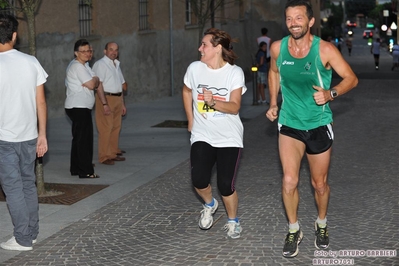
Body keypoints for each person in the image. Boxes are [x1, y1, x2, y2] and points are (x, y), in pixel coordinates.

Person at [266, 0, 358, 258]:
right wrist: (274, 102)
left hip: (318, 124)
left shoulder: (325, 50)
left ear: (310, 21)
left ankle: (321, 223)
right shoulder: (277, 48)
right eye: (289, 19)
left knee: (319, 184)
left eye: (298, 18)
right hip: (290, 123)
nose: (293, 23)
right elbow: (273, 72)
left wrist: (331, 93)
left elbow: (351, 78)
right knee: (289, 180)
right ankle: (294, 229)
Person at [182, 28, 246, 239]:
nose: (200, 48)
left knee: (226, 185)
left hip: (228, 136)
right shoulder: (194, 68)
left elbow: (235, 106)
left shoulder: (234, 73)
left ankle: (233, 220)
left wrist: (213, 102)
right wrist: (191, 119)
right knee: (199, 180)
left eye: (204, 45)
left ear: (217, 48)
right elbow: (187, 90)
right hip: (202, 134)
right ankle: (210, 205)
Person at [0, 14, 48, 251]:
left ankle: (22, 238)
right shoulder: (31, 61)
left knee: (13, 189)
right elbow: (41, 103)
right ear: (15, 35)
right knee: (28, 184)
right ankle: (32, 233)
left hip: (4, 139)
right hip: (30, 136)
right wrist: (43, 134)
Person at [65, 39, 100, 178]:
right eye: (83, 51)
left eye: (89, 51)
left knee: (78, 138)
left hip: (80, 106)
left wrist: (94, 81)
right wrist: (94, 81)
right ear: (76, 53)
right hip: (78, 106)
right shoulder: (78, 67)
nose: (87, 54)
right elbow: (93, 84)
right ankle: (85, 171)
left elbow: (95, 80)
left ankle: (76, 168)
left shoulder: (85, 66)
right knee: (84, 139)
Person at [92, 42, 127, 165]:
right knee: (105, 127)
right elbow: (98, 85)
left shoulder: (116, 64)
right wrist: (104, 104)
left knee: (116, 127)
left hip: (117, 98)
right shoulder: (100, 64)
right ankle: (104, 156)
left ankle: (112, 153)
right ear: (105, 51)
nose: (114, 52)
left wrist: (122, 103)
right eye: (111, 49)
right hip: (106, 98)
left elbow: (120, 85)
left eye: (116, 50)